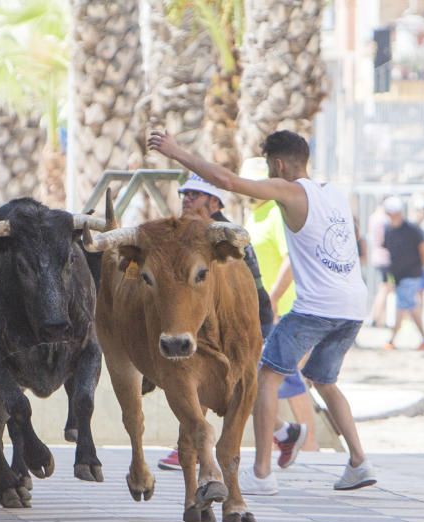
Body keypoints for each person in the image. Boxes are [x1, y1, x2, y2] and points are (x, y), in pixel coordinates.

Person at [149, 129, 375, 494]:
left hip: (315, 308)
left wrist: (175, 151)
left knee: (264, 379)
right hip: (352, 307)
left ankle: (262, 473)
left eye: (270, 167)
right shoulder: (333, 192)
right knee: (325, 382)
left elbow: (227, 181)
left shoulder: (290, 190)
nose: (270, 174)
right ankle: (359, 462)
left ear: (280, 164)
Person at [156, 173, 308, 473]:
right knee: (226, 386)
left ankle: (189, 446)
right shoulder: (187, 233)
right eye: (184, 195)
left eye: (195, 196)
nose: (187, 200)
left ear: (214, 202)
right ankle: (284, 433)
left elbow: (246, 287)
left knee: (226, 384)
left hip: (242, 323)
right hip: (205, 323)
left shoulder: (227, 235)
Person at [241, 156, 318, 454]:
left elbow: (291, 259)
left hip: (283, 310)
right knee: (278, 379)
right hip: (265, 312)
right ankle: (286, 440)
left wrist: (271, 300)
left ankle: (308, 445)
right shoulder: (255, 214)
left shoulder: (275, 212)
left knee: (288, 379)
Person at [382, 197, 424, 350]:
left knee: (406, 305)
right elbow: (389, 253)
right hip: (399, 276)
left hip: (412, 274)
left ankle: (394, 340)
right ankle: (422, 339)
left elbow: (423, 250)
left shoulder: (412, 229)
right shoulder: (388, 230)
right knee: (407, 306)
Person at [367, 201, 394, 327]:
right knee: (384, 288)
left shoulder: (373, 217)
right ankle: (375, 316)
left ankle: (379, 318)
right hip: (385, 257)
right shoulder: (384, 220)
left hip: (376, 256)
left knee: (384, 288)